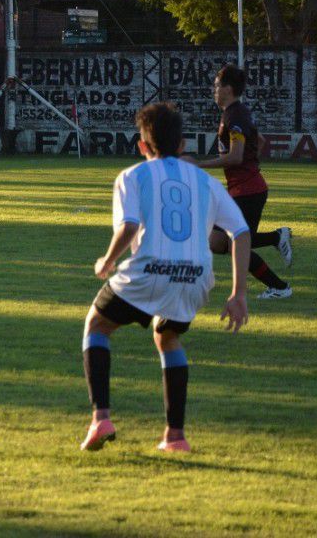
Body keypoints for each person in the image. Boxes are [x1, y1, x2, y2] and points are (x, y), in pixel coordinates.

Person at [80, 102, 251, 453]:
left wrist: (107, 261)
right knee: (168, 336)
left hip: (148, 269)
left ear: (143, 146)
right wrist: (238, 293)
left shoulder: (132, 176)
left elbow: (128, 227)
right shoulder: (204, 181)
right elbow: (241, 232)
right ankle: (176, 437)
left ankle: (101, 418)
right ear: (183, 145)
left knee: (97, 325)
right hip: (195, 276)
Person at [182, 64, 293, 300]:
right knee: (216, 242)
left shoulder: (235, 115)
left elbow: (235, 157)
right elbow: (259, 141)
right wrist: (250, 164)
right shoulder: (235, 113)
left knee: (236, 246)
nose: (214, 90)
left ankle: (280, 287)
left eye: (216, 86)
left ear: (228, 89)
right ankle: (276, 237)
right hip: (240, 189)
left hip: (248, 192)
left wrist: (198, 166)